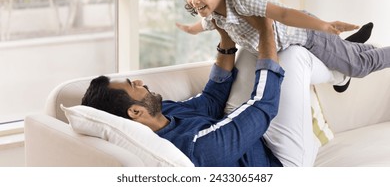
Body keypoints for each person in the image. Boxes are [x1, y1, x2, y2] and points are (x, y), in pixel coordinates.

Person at [176, 0, 389, 93]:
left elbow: (283, 14)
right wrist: (189, 29)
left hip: (310, 37)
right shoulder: (214, 13)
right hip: (297, 44)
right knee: (346, 55)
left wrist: (324, 25)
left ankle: (359, 52)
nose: (194, 1)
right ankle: (353, 46)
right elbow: (202, 25)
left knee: (359, 67)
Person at [82, 17, 287, 166]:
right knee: (291, 55)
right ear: (136, 112)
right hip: (280, 160)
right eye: (131, 84)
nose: (139, 81)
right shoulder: (195, 149)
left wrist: (225, 36)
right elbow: (264, 105)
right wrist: (265, 29)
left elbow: (212, 99)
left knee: (252, 50)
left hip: (258, 136)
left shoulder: (164, 112)